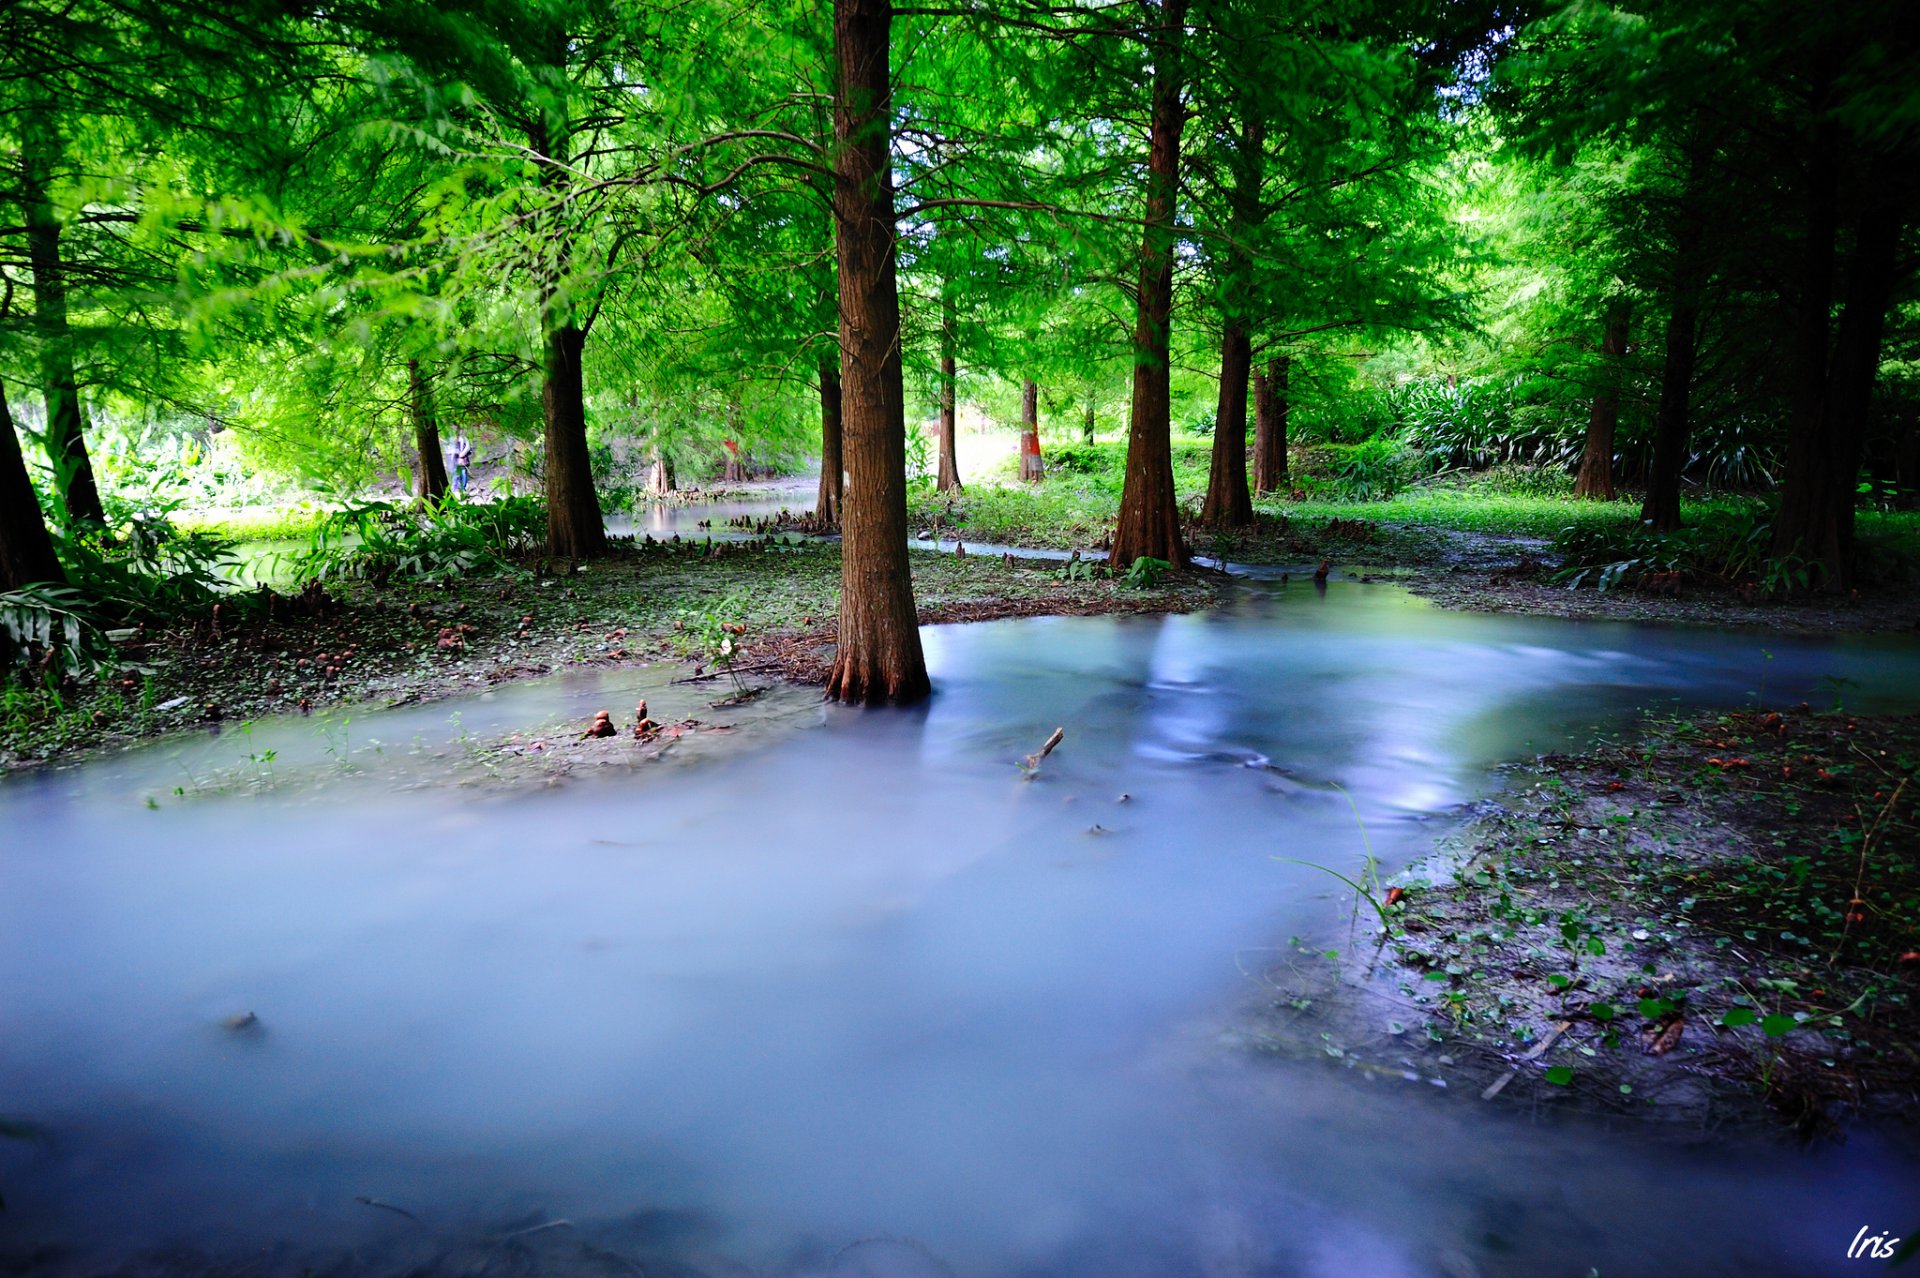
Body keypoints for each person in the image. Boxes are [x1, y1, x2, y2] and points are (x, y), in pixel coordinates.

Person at [451, 429, 474, 496]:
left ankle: (463, 489)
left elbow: (468, 449)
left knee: (463, 473)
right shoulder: (455, 440)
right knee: (456, 475)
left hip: (463, 461)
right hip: (456, 461)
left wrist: (463, 454)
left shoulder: (465, 440)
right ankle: (456, 489)